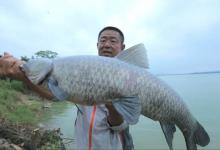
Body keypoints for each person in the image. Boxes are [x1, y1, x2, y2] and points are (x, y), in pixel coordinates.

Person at [0, 26, 138, 150]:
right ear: (97, 45)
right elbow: (54, 94)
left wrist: (112, 104)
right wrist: (23, 73)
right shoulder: (84, 70)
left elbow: (118, 125)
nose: (107, 44)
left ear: (122, 47)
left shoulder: (129, 78)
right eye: (103, 40)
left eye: (113, 41)